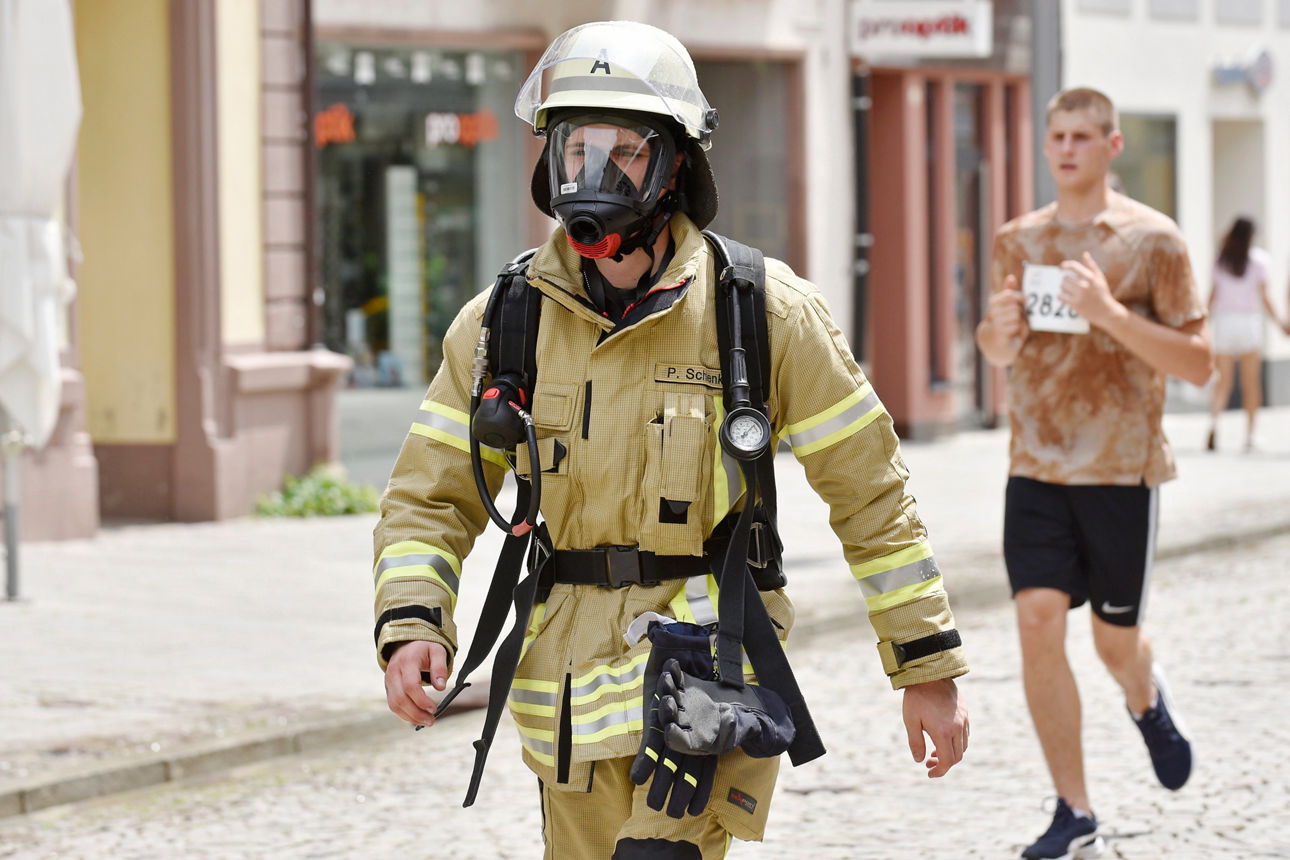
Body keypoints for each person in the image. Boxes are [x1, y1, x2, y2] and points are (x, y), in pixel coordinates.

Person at [373, 20, 969, 859]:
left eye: (625, 151)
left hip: (705, 681)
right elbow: (428, 498)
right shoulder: (504, 321)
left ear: (676, 164)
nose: (596, 173)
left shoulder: (761, 312)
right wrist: (412, 623)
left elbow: (871, 496)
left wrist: (925, 664)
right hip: (567, 708)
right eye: (578, 148)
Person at [976, 87, 1212, 860]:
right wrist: (996, 334)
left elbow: (1200, 363)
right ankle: (1073, 809)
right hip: (1036, 466)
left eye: (1083, 136)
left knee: (1115, 645)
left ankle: (1145, 696)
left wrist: (1110, 314)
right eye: (1058, 136)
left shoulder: (1154, 240)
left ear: (1112, 146)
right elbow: (997, 347)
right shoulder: (1018, 239)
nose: (1068, 149)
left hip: (1119, 469)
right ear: (1045, 145)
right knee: (1037, 622)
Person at [1205, 216, 1288, 452]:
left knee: (1223, 381)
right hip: (1248, 323)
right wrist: (1280, 323)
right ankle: (1250, 435)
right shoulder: (1259, 260)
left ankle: (1214, 423)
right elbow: (1265, 297)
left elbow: (1212, 296)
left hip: (1224, 322)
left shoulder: (1220, 260)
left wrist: (1201, 323)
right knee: (1251, 383)